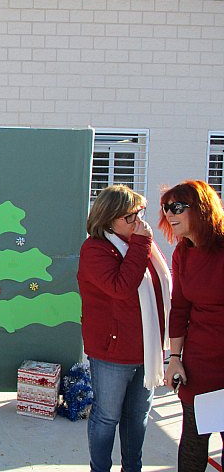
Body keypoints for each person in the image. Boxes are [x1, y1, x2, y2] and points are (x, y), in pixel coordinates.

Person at [77, 185, 171, 472]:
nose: (138, 221)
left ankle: (133, 467)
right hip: (112, 352)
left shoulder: (138, 245)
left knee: (138, 416)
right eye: (131, 216)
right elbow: (121, 287)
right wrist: (142, 245)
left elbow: (161, 287)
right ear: (109, 218)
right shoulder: (96, 249)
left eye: (139, 213)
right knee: (107, 417)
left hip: (145, 350)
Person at [159, 180, 224, 471]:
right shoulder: (183, 253)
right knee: (194, 439)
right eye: (166, 208)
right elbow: (180, 308)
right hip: (200, 362)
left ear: (201, 209)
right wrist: (174, 359)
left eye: (177, 207)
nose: (169, 214)